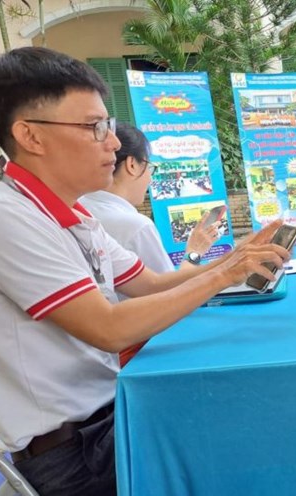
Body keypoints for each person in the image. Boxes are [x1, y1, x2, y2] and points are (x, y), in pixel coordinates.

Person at [0, 47, 289, 496]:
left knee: (255, 405)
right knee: (253, 445)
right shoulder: (2, 217)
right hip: (74, 455)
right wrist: (223, 275)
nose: (112, 142)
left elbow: (150, 284)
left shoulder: (76, 214)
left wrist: (235, 257)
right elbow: (108, 329)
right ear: (31, 135)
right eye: (95, 127)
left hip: (113, 415)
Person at [81, 122, 221, 365]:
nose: (149, 179)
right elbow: (171, 294)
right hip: (135, 352)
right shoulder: (134, 226)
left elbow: (150, 283)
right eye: (150, 167)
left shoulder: (80, 212)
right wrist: (197, 255)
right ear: (132, 164)